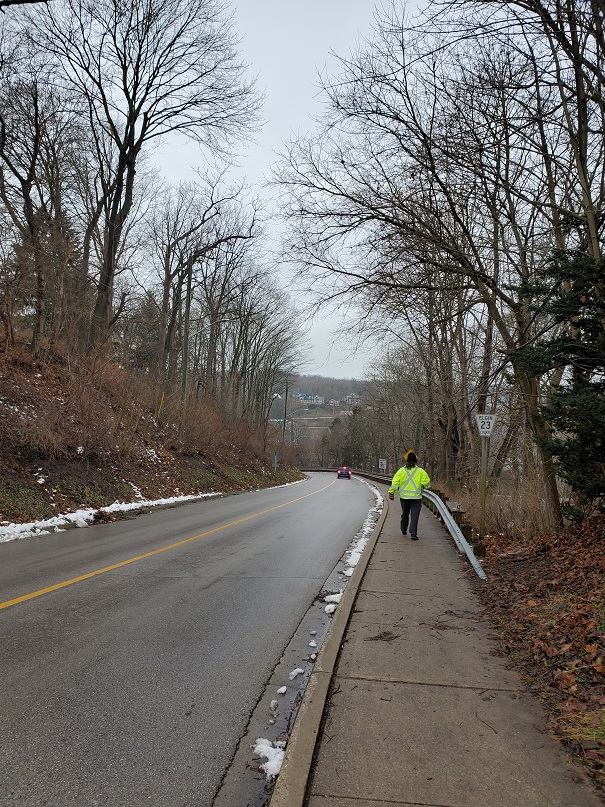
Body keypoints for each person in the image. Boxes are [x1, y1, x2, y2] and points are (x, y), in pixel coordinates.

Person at [388, 451, 430, 541]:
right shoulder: (420, 471)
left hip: (404, 498)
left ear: (406, 461)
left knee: (405, 514)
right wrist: (424, 486)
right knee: (415, 516)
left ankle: (403, 529)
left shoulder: (401, 471)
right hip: (416, 498)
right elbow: (427, 484)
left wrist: (391, 492)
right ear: (415, 462)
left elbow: (395, 482)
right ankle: (413, 533)